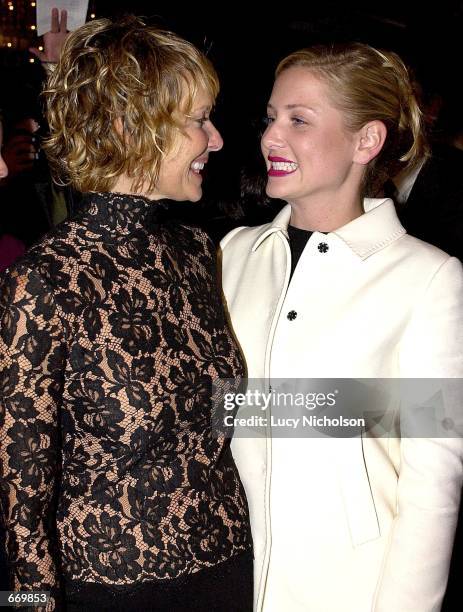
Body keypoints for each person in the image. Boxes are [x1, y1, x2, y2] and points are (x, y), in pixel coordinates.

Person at [0, 16, 252, 612]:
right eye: (197, 120)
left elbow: (226, 410)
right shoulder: (46, 283)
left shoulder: (195, 252)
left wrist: (398, 413)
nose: (215, 140)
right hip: (115, 593)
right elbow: (19, 508)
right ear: (127, 126)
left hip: (235, 572)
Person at [220, 43, 463, 611]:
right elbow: (220, 410)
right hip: (229, 574)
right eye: (271, 118)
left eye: (298, 120)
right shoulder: (232, 253)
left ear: (366, 141)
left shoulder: (429, 278)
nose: (271, 137)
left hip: (351, 585)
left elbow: (433, 478)